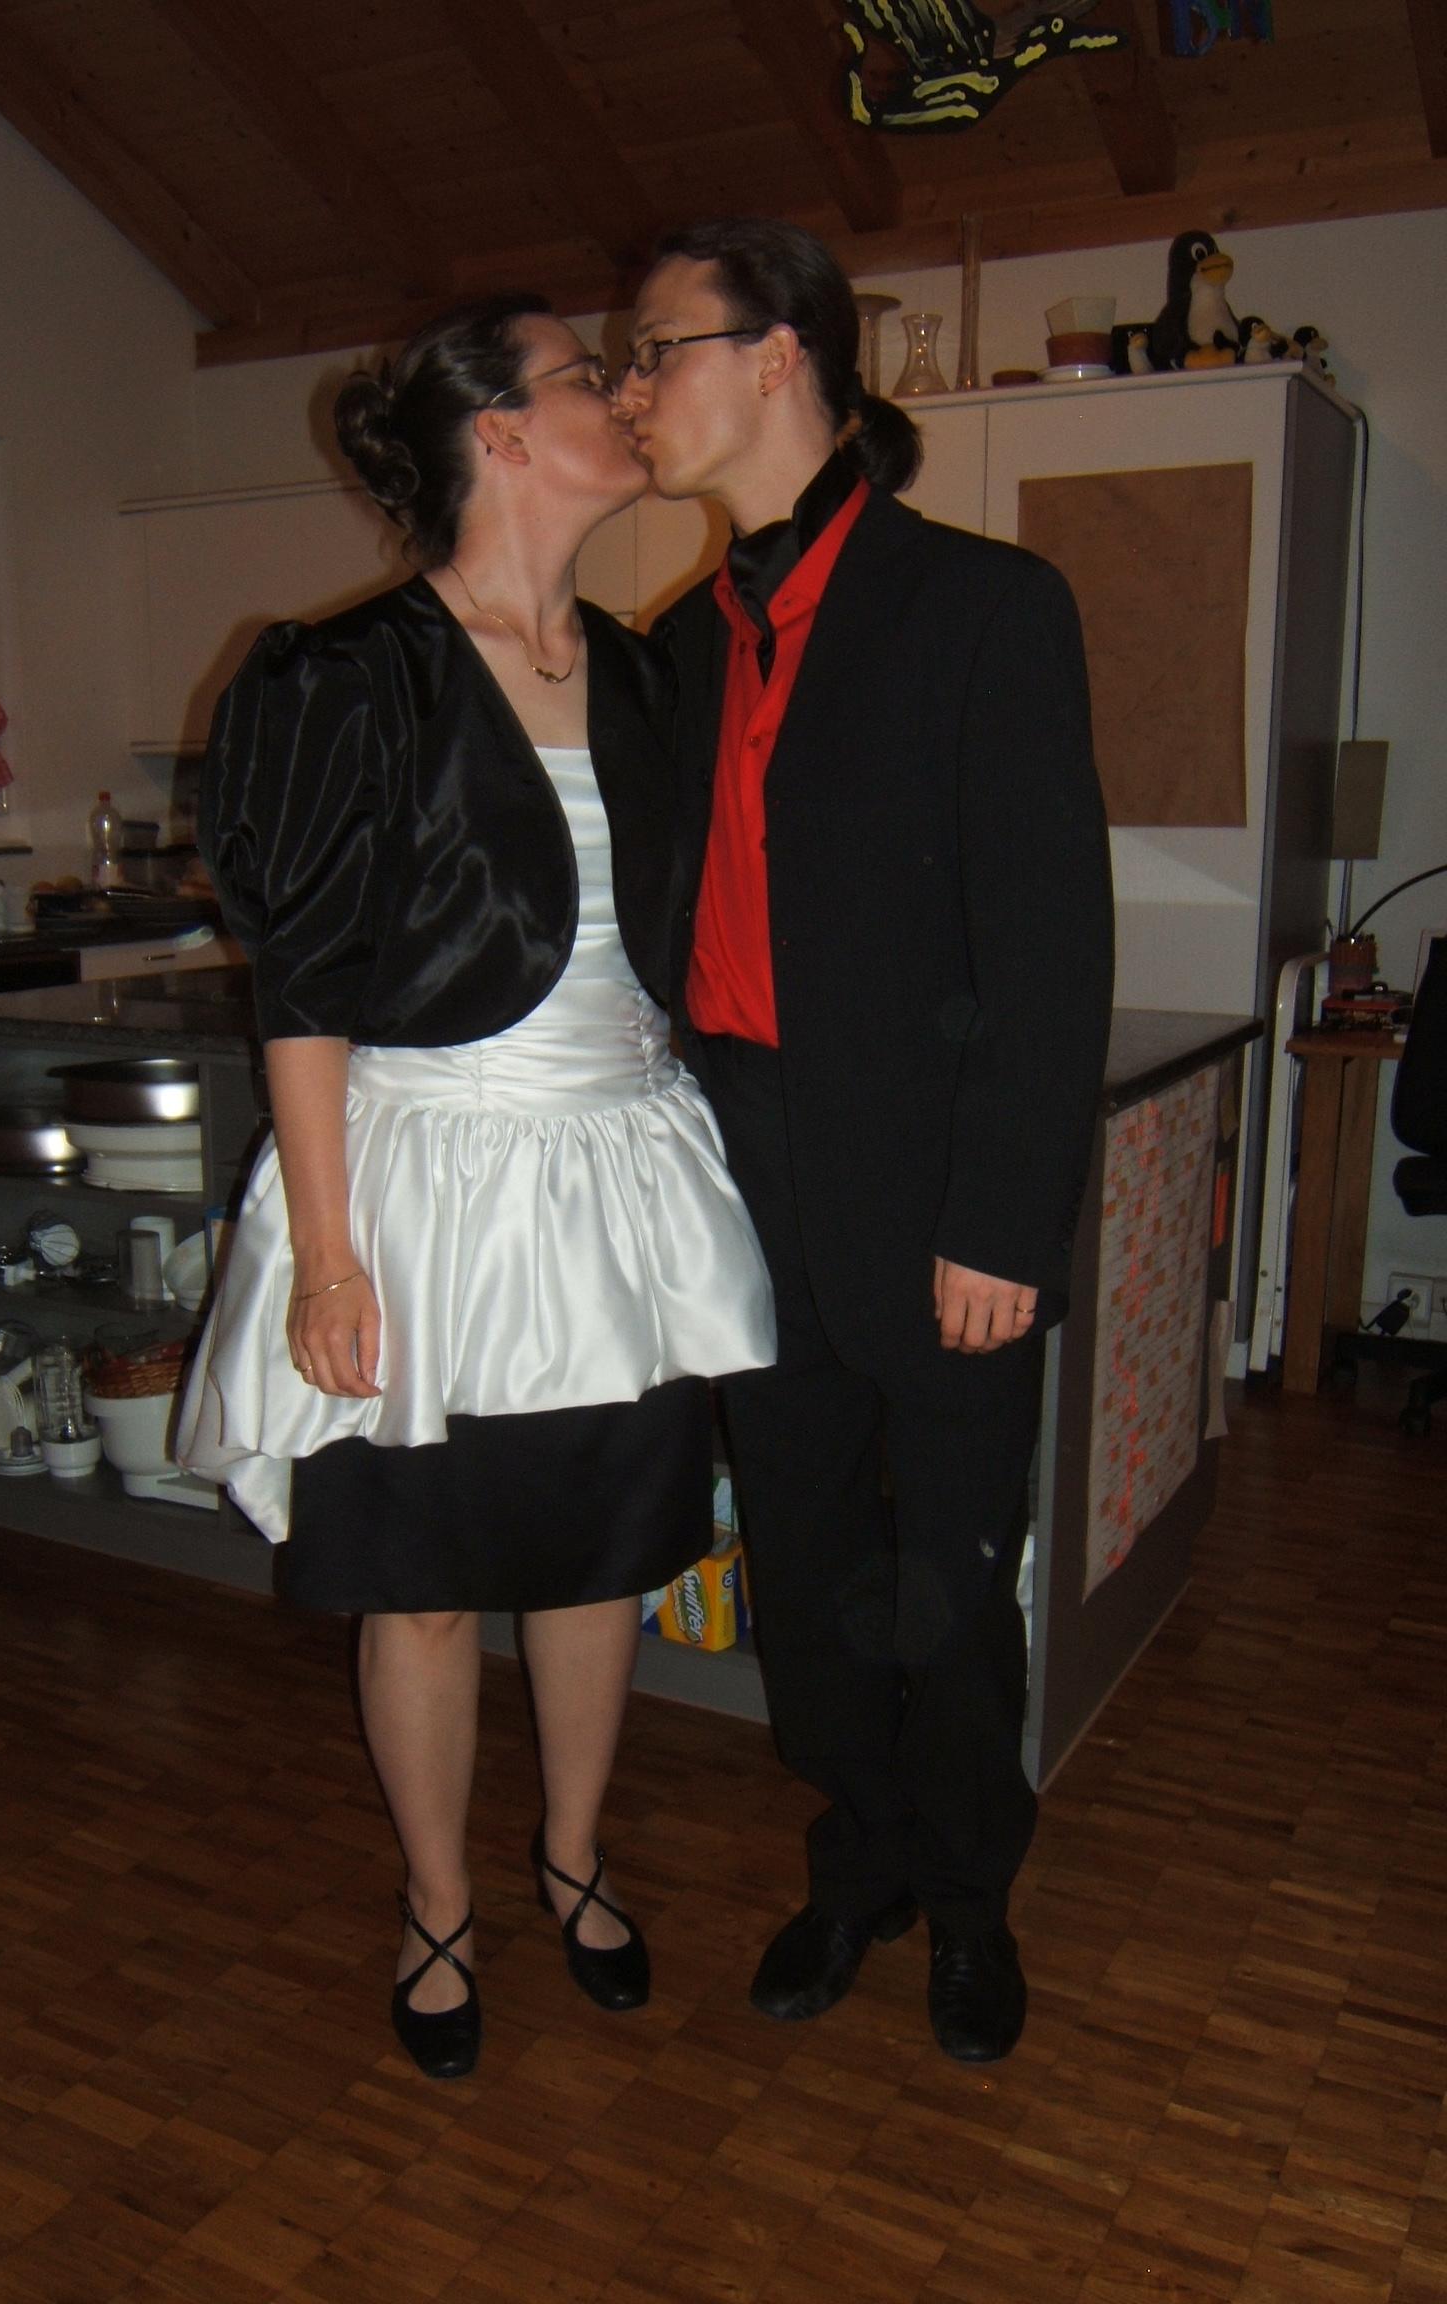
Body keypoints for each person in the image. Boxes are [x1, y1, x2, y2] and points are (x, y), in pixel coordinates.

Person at [177, 294, 775, 2082]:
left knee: (594, 1566)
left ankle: (573, 1857)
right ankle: (436, 1904)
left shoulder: (653, 671)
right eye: (594, 375)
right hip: (421, 1192)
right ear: (499, 433)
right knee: (425, 1584)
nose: (629, 394)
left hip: (620, 1190)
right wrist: (327, 1258)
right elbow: (302, 990)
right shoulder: (343, 675)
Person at [616, 219, 1114, 2062]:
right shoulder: (681, 647)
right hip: (744, 1174)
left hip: (935, 1186)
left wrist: (1005, 1220)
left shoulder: (985, 608)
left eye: (654, 348)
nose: (632, 389)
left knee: (951, 1576)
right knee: (811, 1562)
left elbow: (1051, 944)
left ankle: (971, 1896)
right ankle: (863, 1859)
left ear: (777, 357)